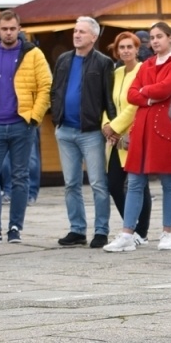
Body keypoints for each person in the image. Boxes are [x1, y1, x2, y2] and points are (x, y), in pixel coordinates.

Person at [0, 11, 50, 245]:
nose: (9, 33)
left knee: (20, 177)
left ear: (19, 28)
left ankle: (15, 227)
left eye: (13, 28)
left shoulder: (33, 53)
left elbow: (46, 86)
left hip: (22, 124)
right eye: (4, 29)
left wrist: (34, 117)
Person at [106, 22, 171, 253]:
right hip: (141, 128)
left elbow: (167, 88)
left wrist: (146, 92)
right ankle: (127, 234)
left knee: (169, 182)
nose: (154, 41)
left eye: (159, 36)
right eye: (151, 37)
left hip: (166, 127)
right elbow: (132, 94)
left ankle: (167, 233)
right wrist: (149, 96)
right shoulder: (147, 64)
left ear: (170, 38)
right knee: (134, 182)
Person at [50, 17, 116, 248]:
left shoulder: (103, 62)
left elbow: (108, 97)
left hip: (90, 132)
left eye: (82, 32)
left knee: (98, 183)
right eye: (75, 31)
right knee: (71, 183)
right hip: (65, 129)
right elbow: (55, 90)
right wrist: (56, 116)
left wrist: (111, 126)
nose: (77, 35)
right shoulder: (63, 59)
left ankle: (101, 231)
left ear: (93, 37)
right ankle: (77, 230)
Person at [102, 32, 151, 245]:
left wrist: (115, 126)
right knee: (113, 184)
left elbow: (135, 104)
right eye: (122, 47)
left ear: (137, 50)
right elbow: (107, 101)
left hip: (134, 135)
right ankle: (129, 227)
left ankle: (141, 231)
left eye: (129, 47)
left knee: (138, 185)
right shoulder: (117, 72)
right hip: (115, 139)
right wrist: (106, 124)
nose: (125, 51)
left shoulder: (144, 70)